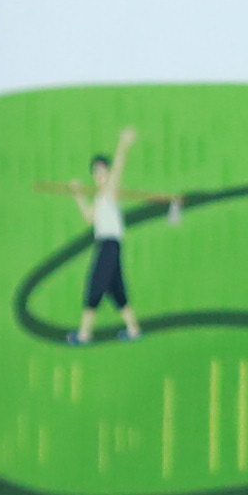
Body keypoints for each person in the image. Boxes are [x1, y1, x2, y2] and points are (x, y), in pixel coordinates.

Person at [60, 130, 164, 346]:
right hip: (106, 244)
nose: (99, 175)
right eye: (95, 172)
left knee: (95, 287)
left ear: (107, 171)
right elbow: (89, 218)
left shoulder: (110, 191)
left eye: (102, 170)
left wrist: (123, 144)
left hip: (109, 244)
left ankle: (84, 334)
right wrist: (78, 194)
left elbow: (118, 168)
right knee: (117, 291)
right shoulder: (100, 197)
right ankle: (134, 330)